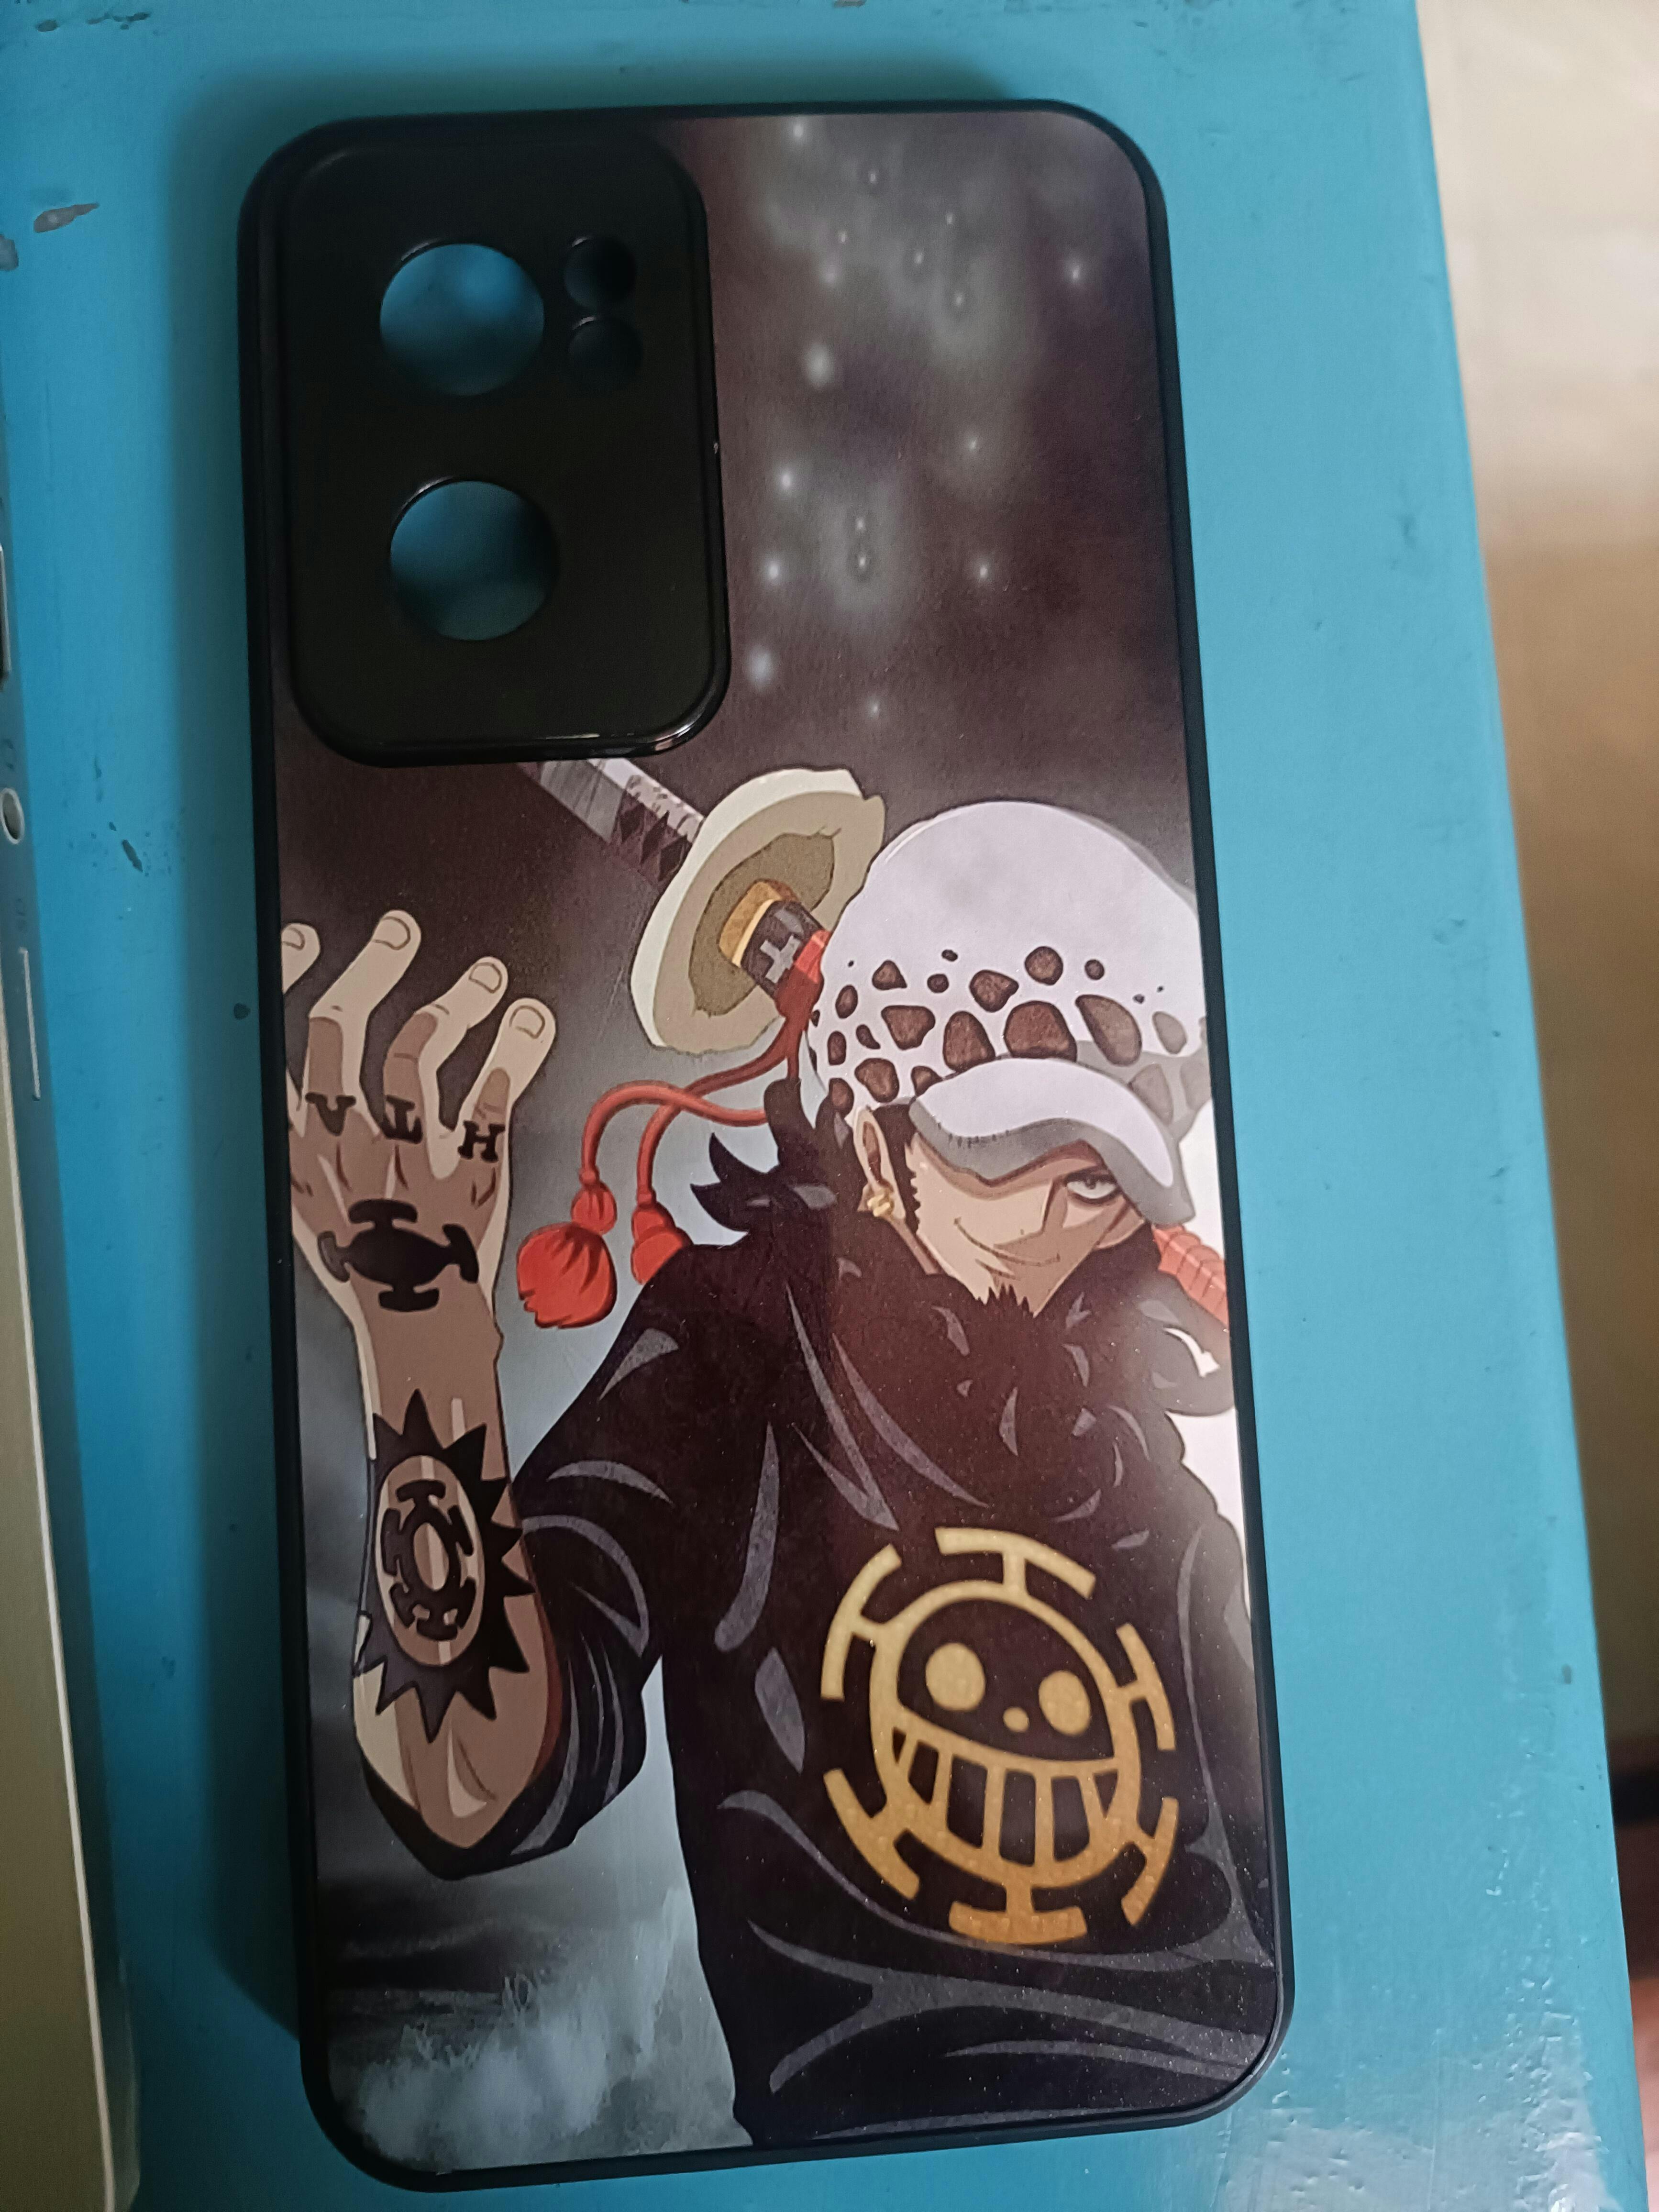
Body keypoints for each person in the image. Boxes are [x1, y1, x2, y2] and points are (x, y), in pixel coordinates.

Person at [283, 800, 1278, 2148]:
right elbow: (472, 1783)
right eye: (1007, 1149)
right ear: (870, 1130)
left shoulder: (1160, 1481)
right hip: (879, 2147)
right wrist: (422, 1342)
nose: (1056, 1217)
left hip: (1218, 2127)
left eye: (1100, 1179)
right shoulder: (736, 1349)